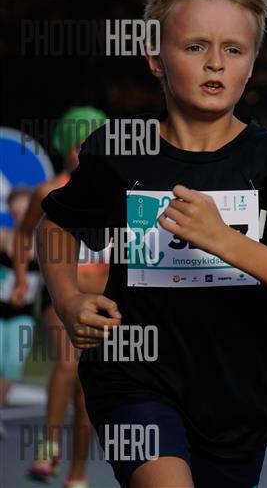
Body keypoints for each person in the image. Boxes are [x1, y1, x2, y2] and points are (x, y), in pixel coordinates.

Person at [36, 0, 267, 487]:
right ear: (155, 58)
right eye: (195, 46)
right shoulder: (121, 149)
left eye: (234, 49)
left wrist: (222, 239)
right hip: (131, 379)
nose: (215, 63)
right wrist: (67, 299)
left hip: (236, 396)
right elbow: (55, 224)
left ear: (252, 63)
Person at [12, 106, 108, 488]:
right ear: (67, 148)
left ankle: (78, 474)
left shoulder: (119, 191)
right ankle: (48, 448)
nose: (82, 152)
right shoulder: (48, 191)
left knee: (87, 391)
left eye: (92, 144)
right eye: (77, 144)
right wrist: (22, 279)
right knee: (68, 362)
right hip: (60, 295)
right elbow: (23, 236)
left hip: (102, 299)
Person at [0, 188, 39, 439]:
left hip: (23, 313)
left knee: (14, 363)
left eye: (25, 209)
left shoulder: (44, 243)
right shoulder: (4, 237)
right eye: (16, 210)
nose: (21, 214)